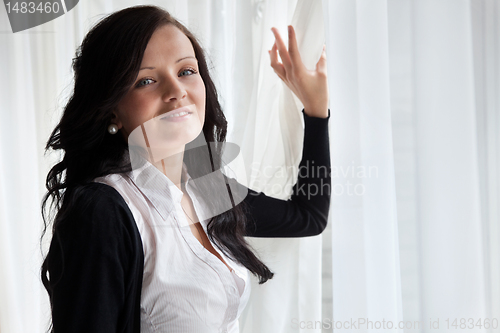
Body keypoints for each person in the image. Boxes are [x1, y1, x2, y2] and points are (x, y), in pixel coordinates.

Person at [40, 5, 330, 333]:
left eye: (186, 71)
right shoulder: (103, 212)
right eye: (146, 80)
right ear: (112, 112)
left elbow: (309, 217)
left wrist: (316, 113)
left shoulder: (208, 190)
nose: (176, 91)